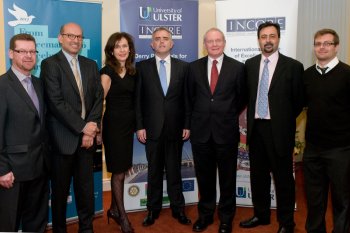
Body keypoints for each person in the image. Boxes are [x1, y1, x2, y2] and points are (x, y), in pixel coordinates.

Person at [239, 22, 304, 233]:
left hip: (279, 131)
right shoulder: (248, 65)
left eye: (272, 36)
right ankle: (261, 215)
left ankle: (287, 223)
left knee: (283, 179)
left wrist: (282, 120)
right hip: (256, 130)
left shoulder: (293, 66)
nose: (268, 40)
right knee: (258, 177)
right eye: (264, 36)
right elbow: (244, 96)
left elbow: (298, 102)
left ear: (278, 39)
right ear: (258, 40)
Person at [40, 22, 103, 233]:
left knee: (86, 191)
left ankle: (86, 229)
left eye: (79, 37)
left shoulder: (90, 65)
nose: (75, 40)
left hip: (87, 140)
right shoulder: (50, 64)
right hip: (62, 140)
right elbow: (56, 103)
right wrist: (84, 128)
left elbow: (98, 98)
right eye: (70, 36)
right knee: (59, 192)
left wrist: (91, 129)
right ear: (60, 38)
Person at [188, 27, 245, 233]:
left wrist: (225, 112)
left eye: (218, 40)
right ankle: (205, 215)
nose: (214, 44)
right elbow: (190, 98)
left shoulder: (238, 68)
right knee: (205, 177)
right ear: (204, 44)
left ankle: (226, 218)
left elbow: (241, 98)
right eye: (210, 41)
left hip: (226, 132)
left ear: (224, 42)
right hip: (201, 132)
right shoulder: (193, 68)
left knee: (228, 178)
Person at [135, 27, 192, 227]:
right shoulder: (141, 68)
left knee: (175, 170)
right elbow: (138, 100)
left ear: (171, 43)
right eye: (157, 39)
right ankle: (153, 210)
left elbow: (187, 99)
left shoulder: (184, 68)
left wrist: (187, 124)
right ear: (152, 44)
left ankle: (179, 209)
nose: (161, 42)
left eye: (165, 38)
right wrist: (139, 126)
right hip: (151, 129)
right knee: (154, 172)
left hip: (176, 129)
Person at [0, 33, 49, 232]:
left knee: (37, 222)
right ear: (11, 53)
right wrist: (2, 169)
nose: (28, 56)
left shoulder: (39, 84)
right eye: (22, 51)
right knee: (8, 223)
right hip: (13, 172)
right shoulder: (2, 85)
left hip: (39, 167)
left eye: (32, 51)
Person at [303, 28, 350, 233]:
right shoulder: (306, 75)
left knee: (342, 198)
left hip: (341, 149)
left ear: (336, 47)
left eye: (327, 43)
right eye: (318, 43)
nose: (321, 47)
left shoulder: (347, 74)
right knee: (314, 198)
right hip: (313, 148)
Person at [100, 32, 136, 233]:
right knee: (119, 172)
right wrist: (96, 129)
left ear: (130, 50)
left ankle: (114, 209)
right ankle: (122, 216)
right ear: (111, 51)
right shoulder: (107, 72)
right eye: (118, 46)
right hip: (113, 128)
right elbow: (99, 103)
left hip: (127, 128)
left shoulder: (132, 72)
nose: (122, 49)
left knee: (121, 169)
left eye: (125, 46)